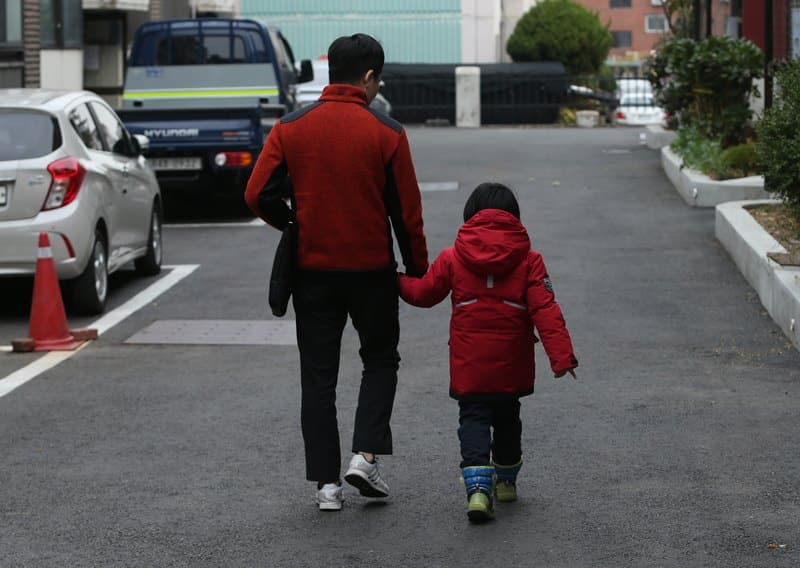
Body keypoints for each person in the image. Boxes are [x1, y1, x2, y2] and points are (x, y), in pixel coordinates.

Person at [244, 33, 429, 512]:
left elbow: (256, 194)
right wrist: (417, 270)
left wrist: (293, 222)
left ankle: (327, 486)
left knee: (318, 377)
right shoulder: (387, 133)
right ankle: (364, 456)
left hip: (313, 272)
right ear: (368, 78)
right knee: (381, 359)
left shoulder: (291, 128)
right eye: (377, 79)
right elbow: (407, 214)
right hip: (371, 271)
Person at [397, 183, 577, 523]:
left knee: (473, 420)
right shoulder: (529, 261)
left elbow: (424, 294)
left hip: (470, 366)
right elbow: (546, 310)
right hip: (511, 365)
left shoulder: (453, 257)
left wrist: (396, 281)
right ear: (515, 218)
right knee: (508, 418)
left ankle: (478, 491)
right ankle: (506, 482)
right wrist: (562, 357)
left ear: (469, 216)